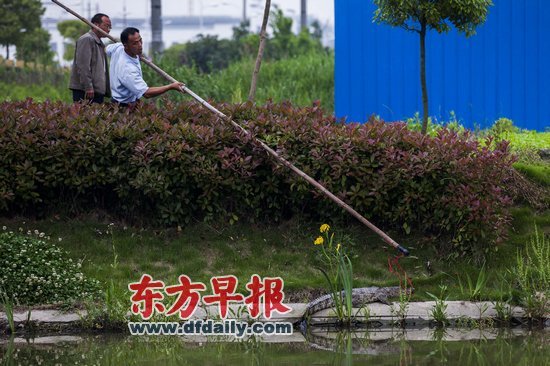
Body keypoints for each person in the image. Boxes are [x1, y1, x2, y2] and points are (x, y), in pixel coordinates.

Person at [106, 27, 183, 109]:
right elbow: (146, 93)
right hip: (123, 106)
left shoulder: (118, 47)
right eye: (135, 43)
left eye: (140, 40)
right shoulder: (127, 69)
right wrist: (170, 86)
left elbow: (106, 49)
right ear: (126, 46)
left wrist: (136, 54)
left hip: (124, 101)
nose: (140, 45)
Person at [69, 13, 112, 104]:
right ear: (96, 25)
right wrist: (88, 87)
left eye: (110, 27)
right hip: (86, 91)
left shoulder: (99, 42)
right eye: (106, 26)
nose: (108, 30)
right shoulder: (87, 39)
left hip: (95, 90)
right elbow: (83, 66)